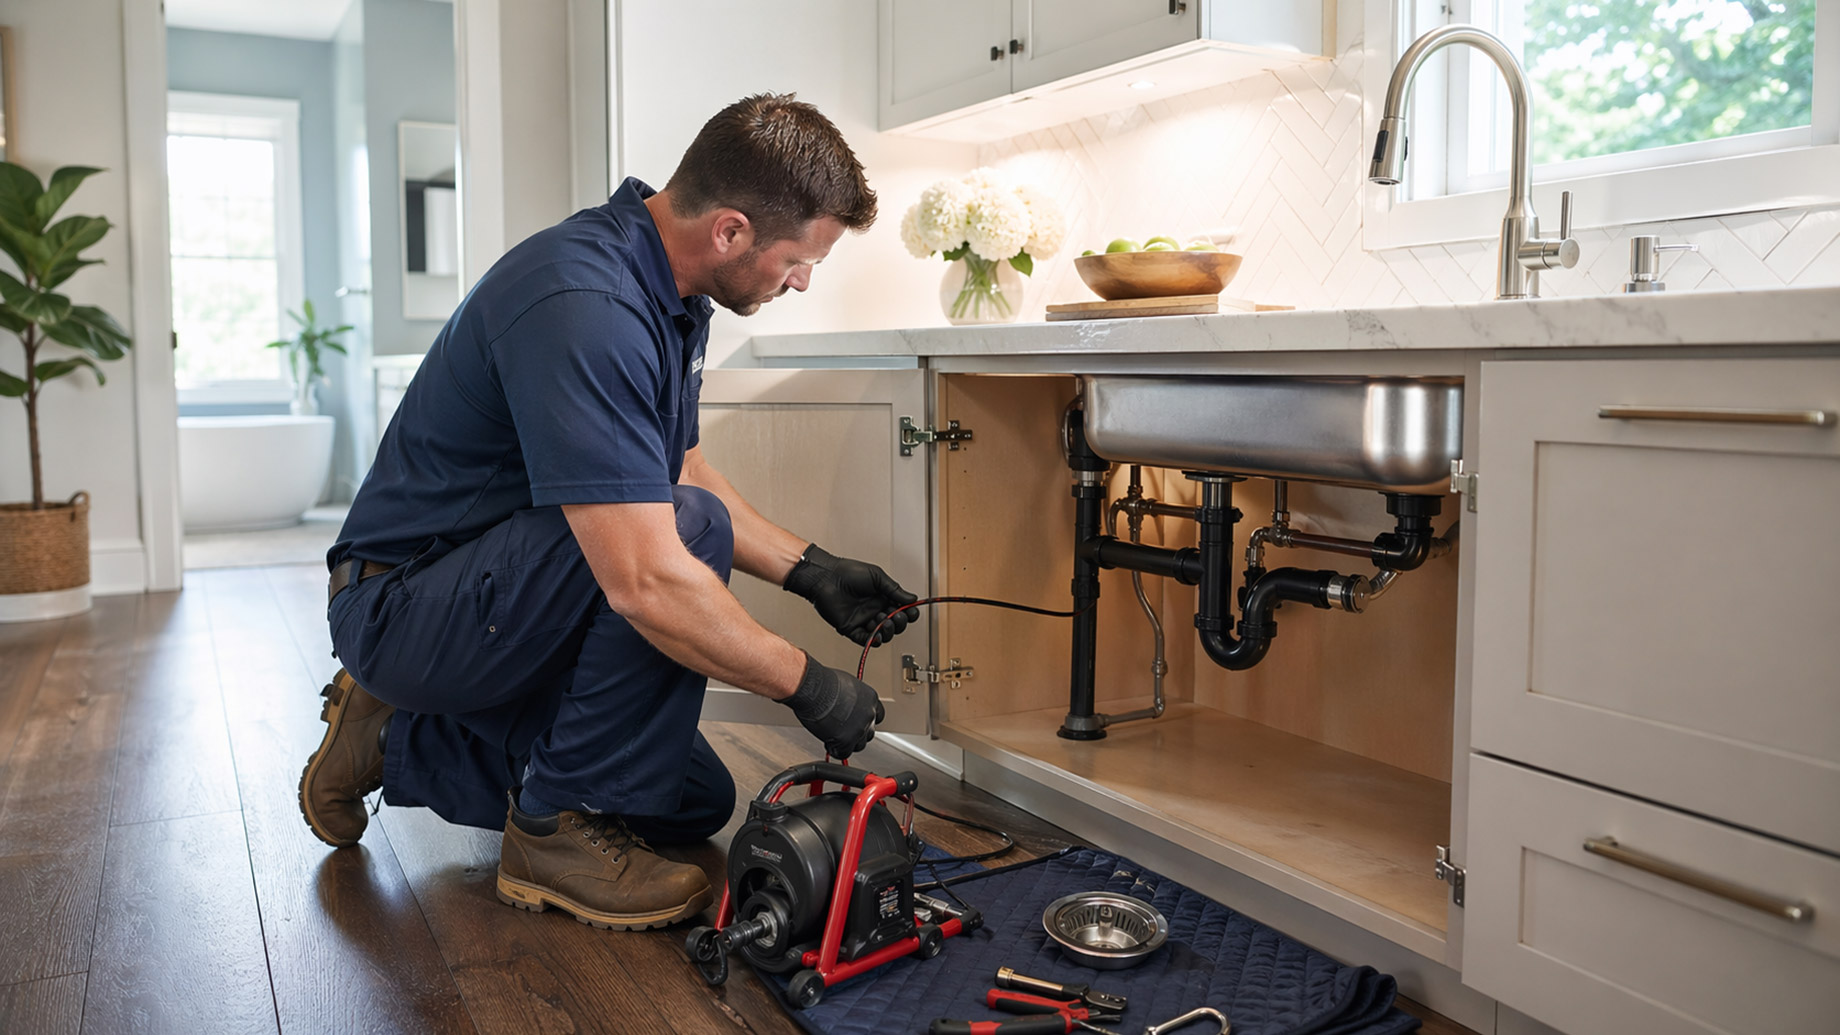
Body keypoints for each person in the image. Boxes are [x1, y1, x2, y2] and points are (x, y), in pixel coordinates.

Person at [298, 93, 917, 932]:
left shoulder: (671, 290)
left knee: (690, 796)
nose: (802, 281)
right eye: (799, 259)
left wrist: (810, 569)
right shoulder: (584, 300)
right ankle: (550, 835)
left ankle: (389, 737)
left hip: (495, 600)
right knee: (680, 534)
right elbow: (647, 575)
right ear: (731, 231)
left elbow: (677, 461)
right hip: (402, 603)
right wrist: (804, 683)